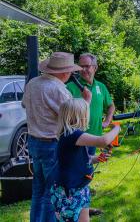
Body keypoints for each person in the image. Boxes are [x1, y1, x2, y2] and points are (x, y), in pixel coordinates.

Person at [22, 52, 91, 222]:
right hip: (51, 144)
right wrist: (86, 102)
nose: (71, 74)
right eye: (70, 71)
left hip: (33, 142)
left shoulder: (33, 83)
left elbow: (24, 104)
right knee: (50, 194)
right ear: (64, 72)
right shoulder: (58, 89)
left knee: (38, 191)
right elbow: (75, 119)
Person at [51, 98, 120, 222]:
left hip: (80, 188)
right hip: (69, 192)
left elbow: (82, 159)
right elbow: (102, 141)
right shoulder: (72, 134)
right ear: (79, 116)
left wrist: (96, 159)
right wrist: (116, 129)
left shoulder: (72, 135)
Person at [66, 53, 115, 216]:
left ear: (95, 67)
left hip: (95, 138)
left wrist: (107, 121)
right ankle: (76, 209)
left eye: (87, 66)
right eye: (81, 66)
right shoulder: (71, 86)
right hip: (77, 139)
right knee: (77, 175)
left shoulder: (101, 86)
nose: (84, 69)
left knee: (88, 173)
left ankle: (84, 208)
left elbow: (111, 106)